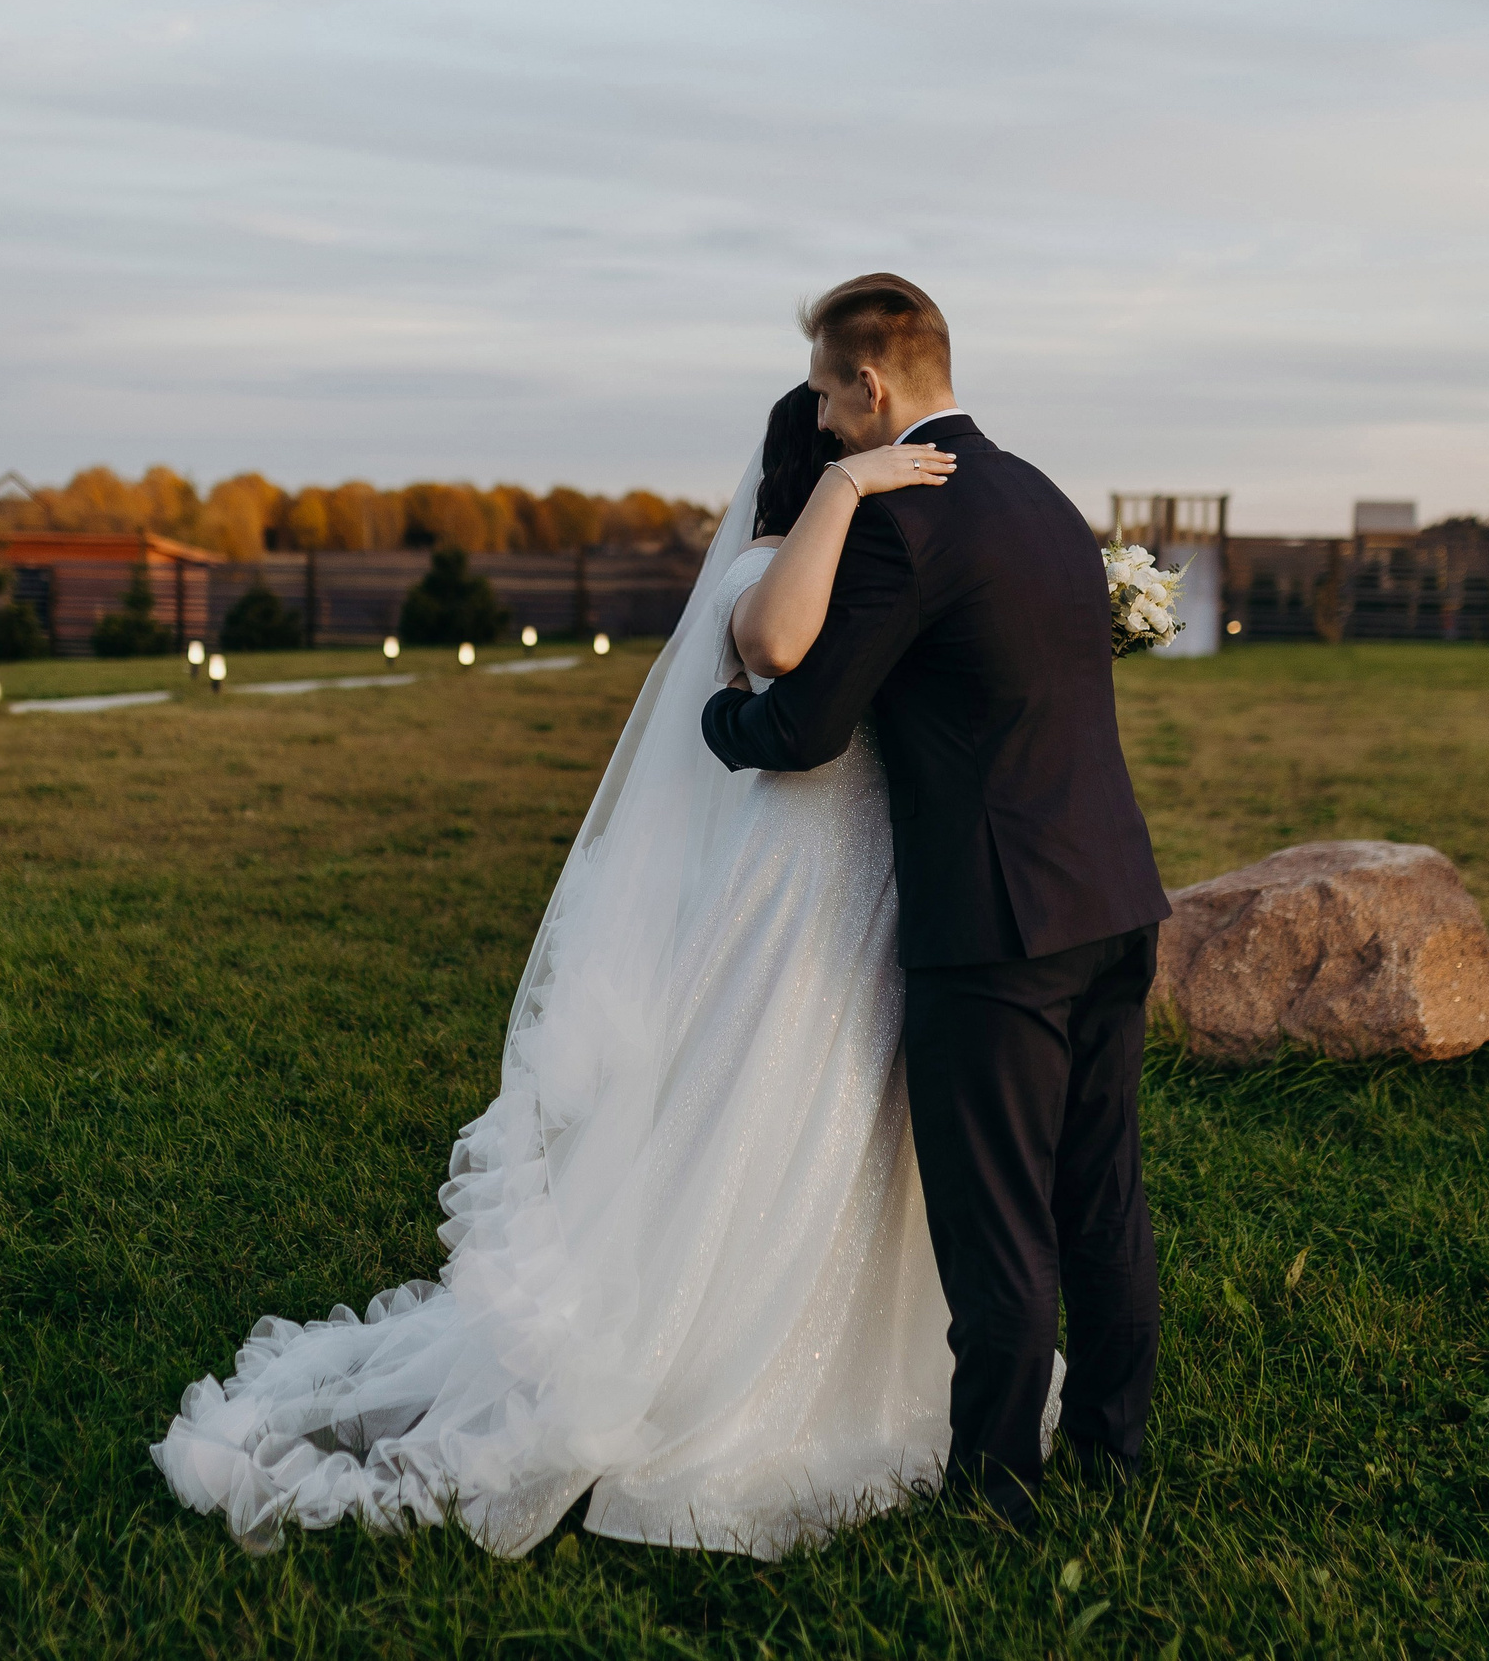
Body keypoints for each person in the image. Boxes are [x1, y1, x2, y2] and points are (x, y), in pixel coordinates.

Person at [153, 378, 982, 1560]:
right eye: (864, 452)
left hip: (859, 882)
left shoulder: (849, 562)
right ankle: (724, 1359)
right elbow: (784, 656)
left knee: (843, 1104)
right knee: (765, 1095)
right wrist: (859, 491)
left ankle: (846, 1335)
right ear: (823, 460)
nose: (897, 462)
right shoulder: (766, 572)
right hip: (793, 891)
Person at [703, 273, 1170, 1530]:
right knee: (1100, 1197)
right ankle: (1116, 1455)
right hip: (1117, 892)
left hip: (999, 924)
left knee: (996, 1222)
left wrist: (718, 719)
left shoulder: (905, 523)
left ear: (870, 385)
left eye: (825, 396)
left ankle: (997, 1494)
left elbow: (803, 725)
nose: (823, 423)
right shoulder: (1044, 497)